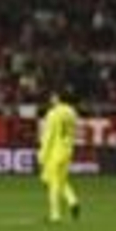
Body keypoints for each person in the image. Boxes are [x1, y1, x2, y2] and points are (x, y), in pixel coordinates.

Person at [38, 91, 80, 221]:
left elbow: (48, 136)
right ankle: (72, 200)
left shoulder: (53, 113)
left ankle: (55, 215)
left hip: (55, 152)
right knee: (60, 180)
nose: (51, 99)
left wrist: (41, 155)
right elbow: (74, 131)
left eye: (53, 97)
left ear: (58, 99)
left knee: (53, 183)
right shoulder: (73, 113)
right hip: (68, 150)